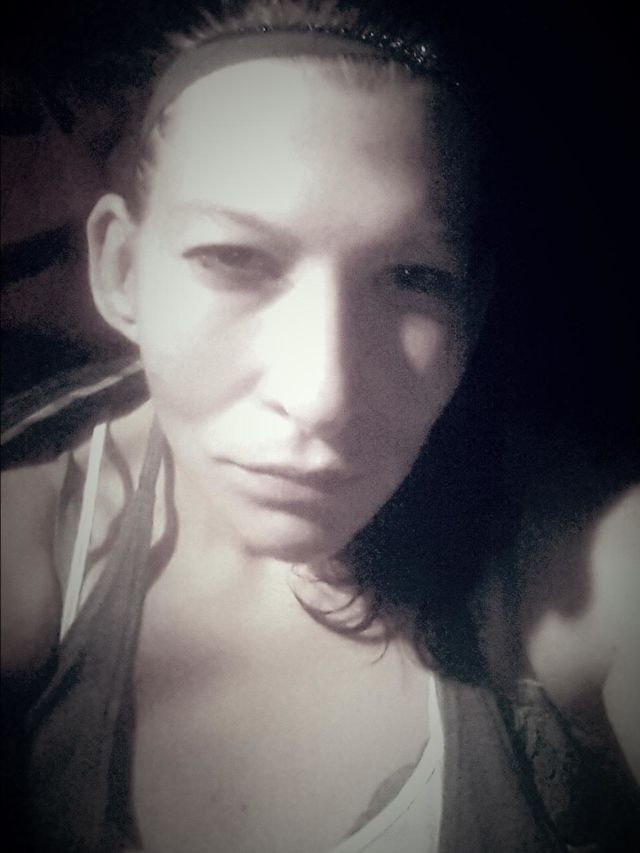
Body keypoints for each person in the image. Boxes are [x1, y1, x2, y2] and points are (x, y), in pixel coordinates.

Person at [1, 1, 638, 851]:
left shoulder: (576, 566)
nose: (323, 396)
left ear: (474, 310)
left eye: (415, 277)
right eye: (233, 259)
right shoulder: (34, 547)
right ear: (122, 271)